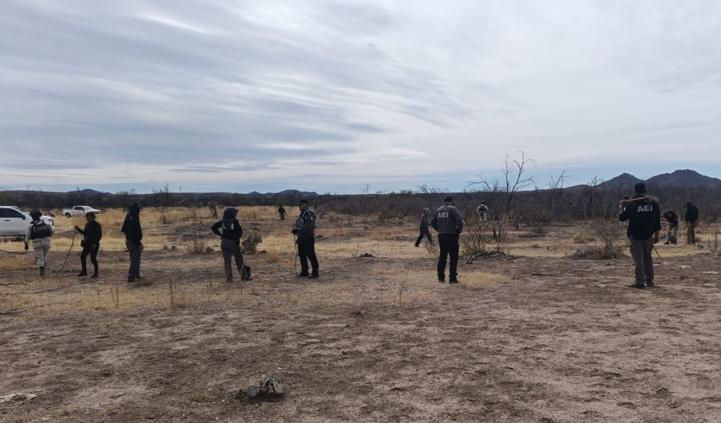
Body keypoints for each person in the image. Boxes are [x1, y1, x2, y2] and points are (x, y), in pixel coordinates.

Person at [619, 183, 661, 289]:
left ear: (635, 190)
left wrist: (621, 207)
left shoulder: (632, 204)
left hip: (635, 235)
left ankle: (640, 282)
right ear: (645, 190)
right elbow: (657, 221)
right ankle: (649, 281)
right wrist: (657, 235)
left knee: (638, 259)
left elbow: (622, 218)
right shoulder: (653, 203)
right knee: (648, 258)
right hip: (649, 235)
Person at [211, 207, 250, 283]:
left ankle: (229, 279)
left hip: (224, 242)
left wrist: (221, 234)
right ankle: (244, 276)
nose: (235, 215)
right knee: (239, 260)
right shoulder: (235, 222)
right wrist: (236, 238)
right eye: (235, 213)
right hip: (233, 243)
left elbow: (213, 227)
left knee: (227, 261)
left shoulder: (222, 221)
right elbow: (239, 232)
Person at [431, 196, 464, 284]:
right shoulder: (453, 209)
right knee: (453, 257)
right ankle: (452, 278)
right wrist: (459, 231)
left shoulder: (438, 209)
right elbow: (459, 221)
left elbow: (432, 222)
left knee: (442, 256)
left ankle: (440, 277)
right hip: (452, 235)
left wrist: (439, 229)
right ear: (452, 201)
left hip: (441, 236)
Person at [292, 199, 319, 278]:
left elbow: (309, 226)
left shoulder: (310, 213)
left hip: (308, 237)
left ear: (305, 204)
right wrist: (295, 229)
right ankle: (304, 271)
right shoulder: (301, 214)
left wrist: (299, 230)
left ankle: (315, 272)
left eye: (300, 205)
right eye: (299, 205)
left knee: (311, 255)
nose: (299, 206)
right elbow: (299, 224)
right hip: (301, 238)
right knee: (302, 255)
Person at [24, 210, 53, 276]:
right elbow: (51, 232)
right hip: (47, 242)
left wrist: (26, 244)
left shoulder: (31, 226)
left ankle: (41, 270)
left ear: (33, 217)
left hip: (37, 243)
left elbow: (27, 236)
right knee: (44, 256)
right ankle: (44, 269)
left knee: (40, 257)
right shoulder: (45, 223)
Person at [75, 212, 102, 278]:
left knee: (93, 258)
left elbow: (99, 235)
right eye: (87, 217)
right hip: (87, 243)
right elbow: (85, 233)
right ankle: (84, 272)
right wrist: (78, 229)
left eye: (88, 217)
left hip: (94, 244)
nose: (87, 218)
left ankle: (96, 273)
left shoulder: (97, 225)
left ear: (93, 217)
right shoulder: (87, 224)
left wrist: (95, 243)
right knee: (82, 256)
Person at [121, 203, 143, 283]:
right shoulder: (134, 217)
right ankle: (131, 277)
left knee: (134, 259)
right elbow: (135, 232)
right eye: (138, 209)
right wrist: (138, 243)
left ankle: (136, 274)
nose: (139, 211)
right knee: (135, 260)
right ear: (135, 210)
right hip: (134, 241)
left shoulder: (129, 216)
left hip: (129, 240)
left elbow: (124, 230)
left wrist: (128, 239)